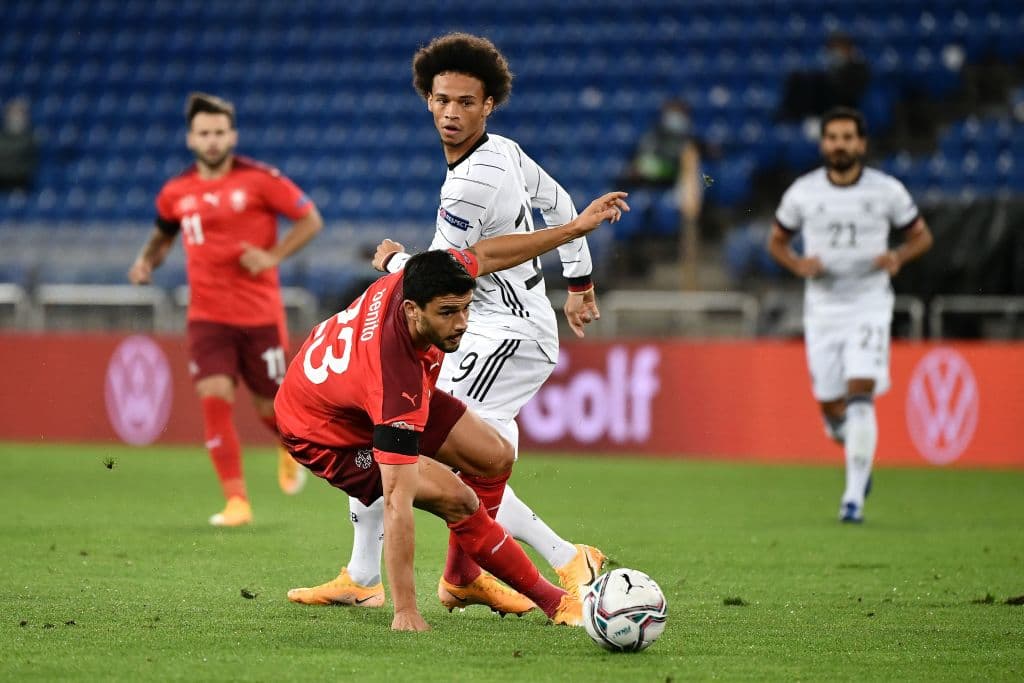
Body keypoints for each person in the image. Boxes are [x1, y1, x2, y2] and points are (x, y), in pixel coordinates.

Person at [286, 32, 608, 615]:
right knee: (412, 439)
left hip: (503, 329)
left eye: (465, 102)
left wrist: (393, 261)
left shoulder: (468, 183)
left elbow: (440, 275)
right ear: (427, 100)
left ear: (489, 105)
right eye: (441, 100)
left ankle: (564, 558)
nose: (451, 113)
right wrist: (580, 281)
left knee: (427, 451)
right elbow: (561, 206)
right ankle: (402, 576)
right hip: (493, 318)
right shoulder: (503, 151)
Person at [274, 192, 629, 631]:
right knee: (458, 500)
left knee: (495, 456)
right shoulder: (393, 376)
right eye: (448, 313)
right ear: (412, 310)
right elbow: (397, 502)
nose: (461, 323)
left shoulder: (422, 281)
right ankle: (556, 604)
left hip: (346, 391)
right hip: (323, 433)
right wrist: (406, 610)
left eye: (466, 308)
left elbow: (488, 255)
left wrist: (572, 230)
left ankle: (463, 577)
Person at [128, 92, 324, 526]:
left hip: (259, 317)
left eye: (219, 132)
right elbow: (162, 236)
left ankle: (289, 445)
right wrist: (146, 262)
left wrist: (273, 256)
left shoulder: (260, 180)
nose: (212, 140)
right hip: (207, 317)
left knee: (272, 410)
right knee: (214, 398)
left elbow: (311, 219)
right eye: (204, 133)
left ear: (232, 136)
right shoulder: (176, 192)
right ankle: (237, 501)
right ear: (191, 138)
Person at [767, 107, 933, 523]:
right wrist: (797, 264)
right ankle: (857, 450)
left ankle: (853, 498)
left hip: (869, 304)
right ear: (823, 144)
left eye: (847, 137)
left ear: (861, 143)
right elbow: (776, 242)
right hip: (822, 309)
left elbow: (921, 237)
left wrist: (898, 257)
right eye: (833, 138)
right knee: (831, 409)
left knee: (861, 390)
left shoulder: (887, 190)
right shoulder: (803, 192)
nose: (839, 145)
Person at [0, 97, 39, 191]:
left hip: (22, 183)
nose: (16, 118)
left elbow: (30, 163)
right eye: (13, 114)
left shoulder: (31, 138)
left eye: (19, 114)